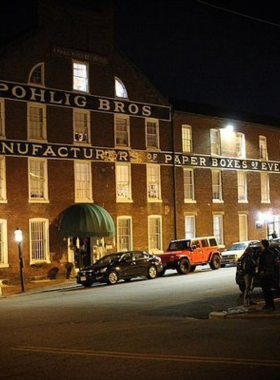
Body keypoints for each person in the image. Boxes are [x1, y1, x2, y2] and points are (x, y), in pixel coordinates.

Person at [258, 239, 276, 311]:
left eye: (261, 244)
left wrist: (260, 272)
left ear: (263, 245)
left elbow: (261, 265)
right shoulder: (272, 253)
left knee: (266, 290)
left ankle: (268, 305)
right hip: (270, 274)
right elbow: (273, 264)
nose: (260, 245)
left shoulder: (262, 254)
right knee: (269, 290)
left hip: (264, 274)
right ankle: (271, 304)